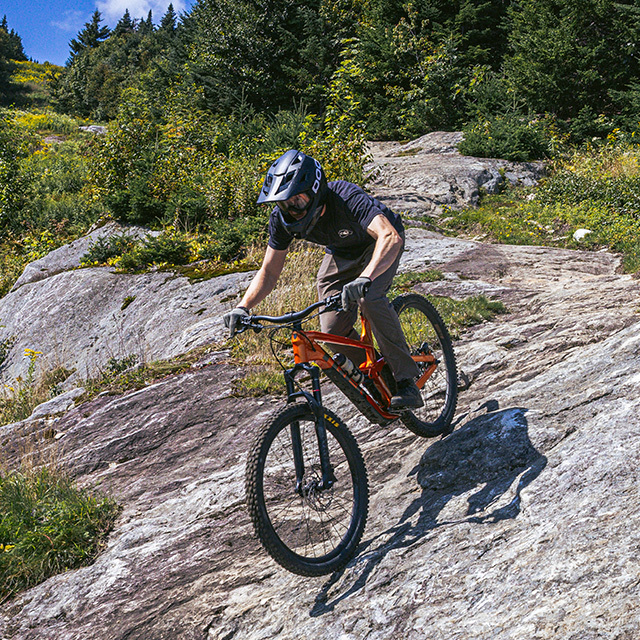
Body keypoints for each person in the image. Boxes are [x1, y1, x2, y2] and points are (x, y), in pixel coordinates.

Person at [223, 149, 423, 409]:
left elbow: (389, 237)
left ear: (314, 188)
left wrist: (365, 277)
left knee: (370, 298)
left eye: (297, 199)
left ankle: (406, 379)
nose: (291, 208)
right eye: (284, 202)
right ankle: (381, 376)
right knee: (330, 331)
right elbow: (269, 272)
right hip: (340, 253)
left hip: (377, 245)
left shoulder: (346, 197)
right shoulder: (281, 220)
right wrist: (243, 307)